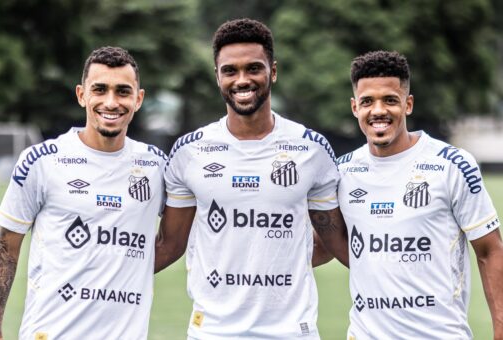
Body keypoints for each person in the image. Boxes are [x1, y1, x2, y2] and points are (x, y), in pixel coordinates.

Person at [155, 18, 348, 339]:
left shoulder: (311, 149)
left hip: (291, 332)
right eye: (230, 70)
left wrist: (276, 263)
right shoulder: (190, 152)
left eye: (253, 68)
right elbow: (169, 244)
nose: (242, 79)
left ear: (273, 71)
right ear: (217, 76)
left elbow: (331, 241)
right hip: (213, 332)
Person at [0, 46, 166, 339]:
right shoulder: (41, 161)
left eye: (122, 91)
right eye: (100, 89)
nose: (111, 102)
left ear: (138, 99)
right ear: (82, 95)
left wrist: (124, 268)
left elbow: (175, 236)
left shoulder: (156, 166)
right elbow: (6, 249)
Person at [337, 50, 502, 339]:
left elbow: (490, 251)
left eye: (390, 100)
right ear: (354, 107)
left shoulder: (452, 165)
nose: (378, 111)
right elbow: (322, 242)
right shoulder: (341, 172)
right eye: (367, 102)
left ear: (408, 104)